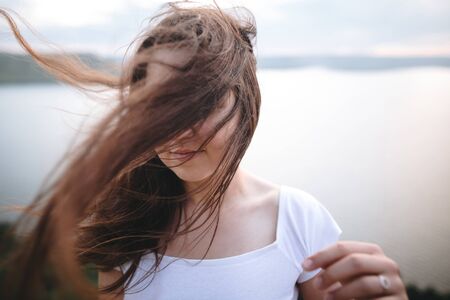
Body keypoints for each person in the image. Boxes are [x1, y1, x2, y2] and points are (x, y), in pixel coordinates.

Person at [0, 2, 408, 300]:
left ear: (245, 102)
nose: (174, 130)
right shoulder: (123, 224)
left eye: (198, 103)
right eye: (157, 106)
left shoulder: (299, 222)